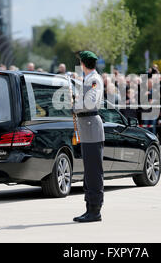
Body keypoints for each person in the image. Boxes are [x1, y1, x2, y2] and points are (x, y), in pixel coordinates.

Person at [73, 51, 105, 223]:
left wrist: (75, 105)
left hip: (91, 126)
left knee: (93, 172)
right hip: (88, 127)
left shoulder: (92, 79)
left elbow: (89, 103)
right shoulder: (89, 79)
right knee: (89, 172)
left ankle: (95, 210)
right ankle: (89, 208)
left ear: (83, 64)